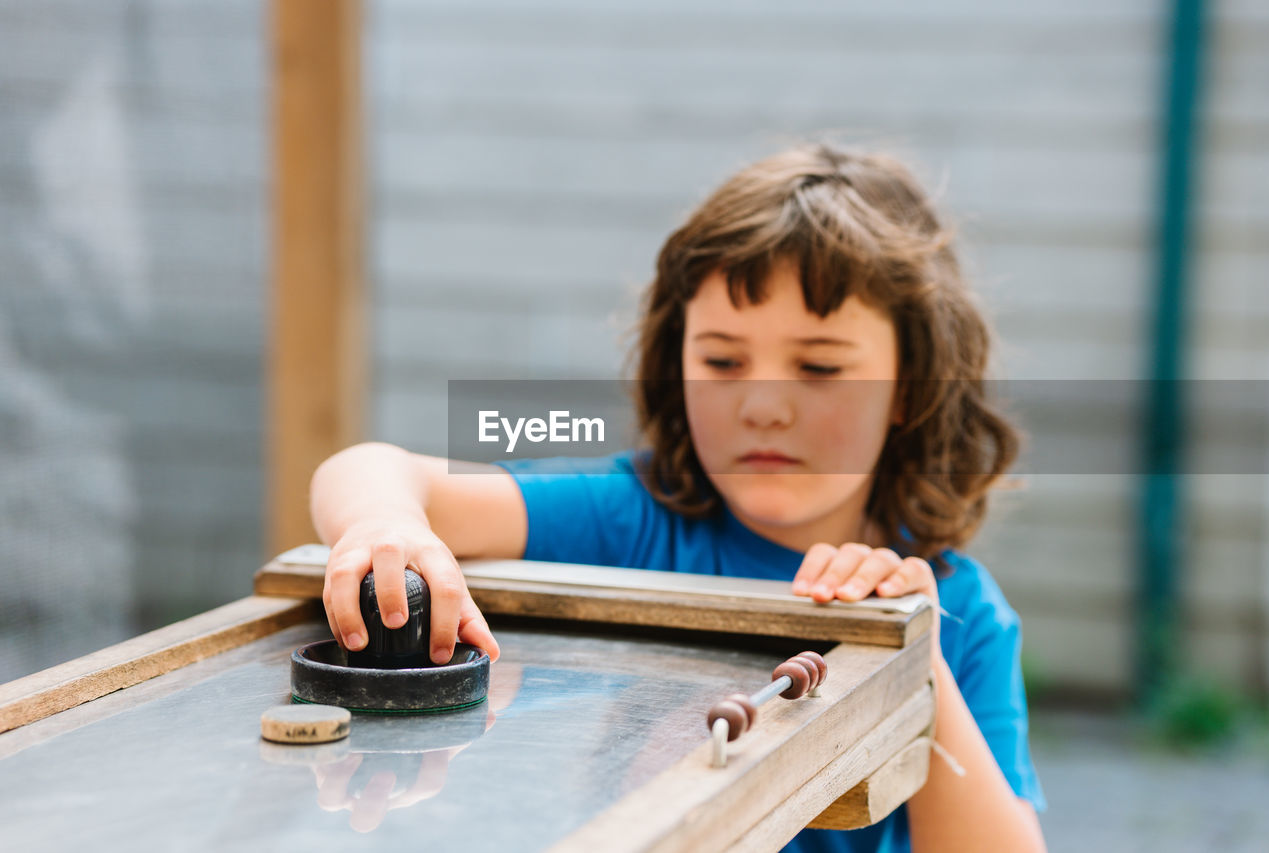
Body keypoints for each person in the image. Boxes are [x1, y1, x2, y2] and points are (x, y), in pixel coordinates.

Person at [309, 143, 1048, 852]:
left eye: (820, 366)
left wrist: (912, 652)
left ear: (909, 388)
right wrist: (385, 524)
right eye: (722, 359)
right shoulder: (631, 517)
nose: (762, 405)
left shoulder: (961, 612)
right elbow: (374, 466)